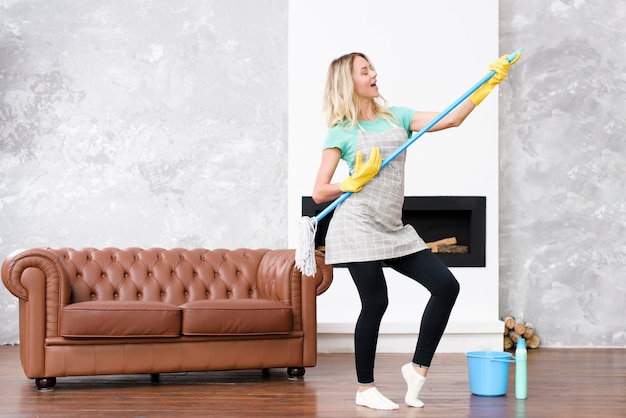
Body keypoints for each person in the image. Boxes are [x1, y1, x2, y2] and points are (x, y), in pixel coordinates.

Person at [311, 51, 520, 410]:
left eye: (372, 67)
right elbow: (318, 191)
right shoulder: (341, 132)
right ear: (351, 82)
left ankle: (417, 366)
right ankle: (365, 389)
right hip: (357, 224)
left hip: (392, 225)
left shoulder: (398, 117)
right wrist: (351, 182)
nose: (374, 73)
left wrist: (488, 84)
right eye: (365, 71)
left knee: (445, 286)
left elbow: (451, 119)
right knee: (376, 302)